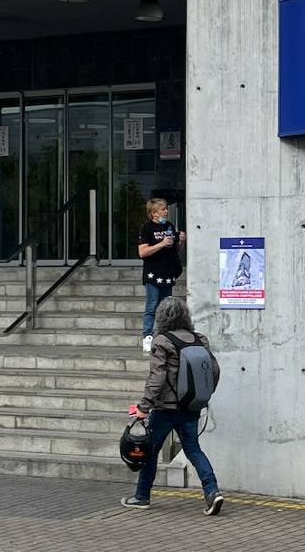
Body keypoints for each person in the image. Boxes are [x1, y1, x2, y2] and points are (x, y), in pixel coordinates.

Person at [121, 296, 223, 515]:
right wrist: (203, 396)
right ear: (185, 315)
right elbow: (214, 371)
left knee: (150, 451)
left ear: (161, 317)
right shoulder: (199, 340)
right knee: (193, 450)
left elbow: (157, 377)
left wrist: (144, 407)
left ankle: (141, 496)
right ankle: (212, 491)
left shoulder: (162, 341)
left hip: (165, 409)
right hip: (191, 407)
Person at [137, 198, 185, 353]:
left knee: (166, 307)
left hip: (168, 273)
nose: (166, 211)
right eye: (163, 209)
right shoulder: (147, 228)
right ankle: (147, 336)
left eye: (166, 208)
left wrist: (180, 242)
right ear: (154, 213)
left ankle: (165, 335)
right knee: (152, 305)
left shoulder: (169, 226)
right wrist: (161, 243)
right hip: (153, 274)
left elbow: (174, 251)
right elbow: (142, 252)